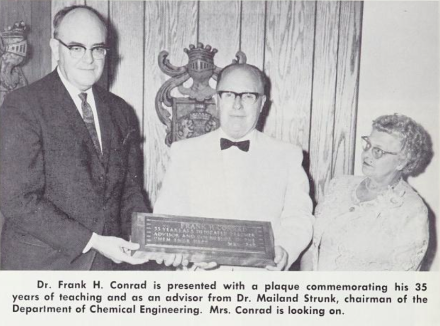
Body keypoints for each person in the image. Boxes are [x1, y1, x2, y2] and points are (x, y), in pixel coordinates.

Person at [0, 5, 163, 270]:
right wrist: (94, 241)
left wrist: (149, 241)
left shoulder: (121, 111)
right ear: (55, 48)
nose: (89, 59)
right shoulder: (23, 105)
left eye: (97, 49)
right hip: (41, 269)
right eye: (76, 48)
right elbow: (17, 200)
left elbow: (130, 191)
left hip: (106, 267)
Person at [154, 63, 314, 271]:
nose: (237, 105)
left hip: (262, 284)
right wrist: (177, 251)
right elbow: (167, 216)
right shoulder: (184, 153)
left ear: (262, 103)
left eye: (248, 96)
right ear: (217, 99)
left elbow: (299, 216)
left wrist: (285, 248)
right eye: (229, 95)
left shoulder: (287, 155)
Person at [302, 114, 432, 271]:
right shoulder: (339, 185)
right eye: (368, 145)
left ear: (402, 162)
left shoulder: (412, 211)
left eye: (378, 151)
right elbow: (312, 245)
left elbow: (401, 284)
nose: (367, 154)